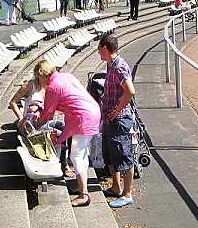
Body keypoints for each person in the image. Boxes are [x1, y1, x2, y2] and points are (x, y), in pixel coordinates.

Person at [36, 60, 101, 208]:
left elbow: (47, 115)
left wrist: (34, 125)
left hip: (82, 117)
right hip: (93, 111)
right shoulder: (66, 76)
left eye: (38, 78)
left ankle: (84, 194)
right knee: (82, 153)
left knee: (75, 155)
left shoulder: (53, 87)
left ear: (42, 74)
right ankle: (81, 184)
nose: (38, 81)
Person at [97, 34, 136, 209]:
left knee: (123, 156)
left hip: (119, 119)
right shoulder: (111, 65)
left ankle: (127, 194)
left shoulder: (119, 67)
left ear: (105, 48)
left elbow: (130, 91)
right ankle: (116, 187)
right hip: (110, 119)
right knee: (111, 155)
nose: (98, 53)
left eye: (99, 49)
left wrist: (118, 110)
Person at [9, 77, 74, 178]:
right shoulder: (29, 85)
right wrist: (22, 118)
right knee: (62, 135)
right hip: (33, 124)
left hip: (45, 121)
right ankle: (64, 165)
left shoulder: (50, 86)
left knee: (68, 128)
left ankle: (69, 157)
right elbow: (13, 103)